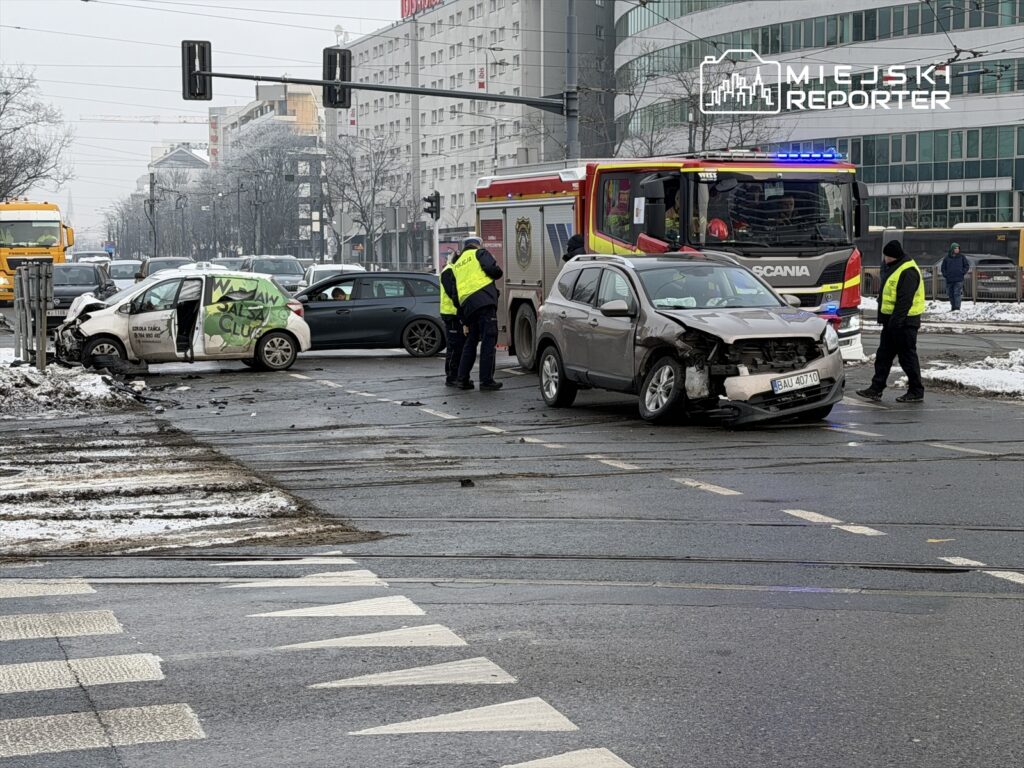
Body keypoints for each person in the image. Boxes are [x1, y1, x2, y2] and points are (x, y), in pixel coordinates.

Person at [856, 240, 926, 403]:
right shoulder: (893, 267)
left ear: (893, 256)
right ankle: (876, 388)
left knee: (907, 357)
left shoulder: (908, 271)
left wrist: (896, 322)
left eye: (886, 256)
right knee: (883, 356)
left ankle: (916, 390)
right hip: (892, 322)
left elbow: (904, 301)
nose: (884, 259)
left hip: (904, 323)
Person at [452, 235, 504, 391]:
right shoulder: (480, 253)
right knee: (489, 340)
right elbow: (492, 270)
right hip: (484, 302)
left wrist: (463, 319)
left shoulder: (457, 263)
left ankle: (462, 379)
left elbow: (455, 295)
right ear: (478, 245)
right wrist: (497, 271)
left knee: (471, 342)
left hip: (467, 307)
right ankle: (486, 381)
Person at [439, 249, 466, 386]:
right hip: (451, 314)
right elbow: (452, 293)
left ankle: (456, 375)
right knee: (454, 347)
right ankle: (451, 376)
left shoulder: (452, 269)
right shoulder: (449, 271)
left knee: (458, 346)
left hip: (454, 313)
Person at [941, 241, 970, 311]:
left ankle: (957, 307)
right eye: (955, 248)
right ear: (952, 249)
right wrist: (946, 275)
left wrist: (962, 272)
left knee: (957, 293)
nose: (957, 250)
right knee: (950, 294)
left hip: (959, 279)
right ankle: (953, 307)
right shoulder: (947, 258)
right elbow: (943, 268)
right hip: (949, 279)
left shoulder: (962, 257)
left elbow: (966, 266)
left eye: (958, 248)